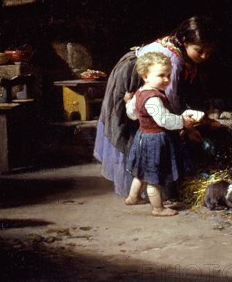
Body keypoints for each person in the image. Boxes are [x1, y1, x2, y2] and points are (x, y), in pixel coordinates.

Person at [93, 16, 218, 196]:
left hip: (148, 75)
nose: (205, 56)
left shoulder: (177, 50)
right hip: (135, 75)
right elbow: (170, 101)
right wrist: (187, 127)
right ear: (184, 41)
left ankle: (139, 190)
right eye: (199, 51)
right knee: (139, 129)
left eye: (209, 52)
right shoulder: (172, 64)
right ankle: (152, 190)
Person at [125, 51, 198, 216]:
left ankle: (133, 197)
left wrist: (129, 102)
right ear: (145, 76)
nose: (166, 79)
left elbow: (132, 114)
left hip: (143, 137)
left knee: (142, 171)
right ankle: (158, 208)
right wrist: (182, 121)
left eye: (168, 75)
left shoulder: (140, 92)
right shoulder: (153, 99)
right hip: (155, 140)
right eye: (161, 75)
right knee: (154, 177)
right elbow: (164, 120)